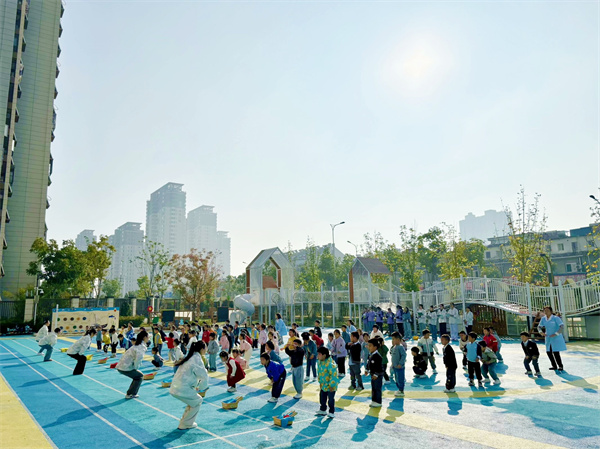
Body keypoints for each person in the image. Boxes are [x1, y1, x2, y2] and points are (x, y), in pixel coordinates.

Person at [169, 341, 209, 430]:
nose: (206, 349)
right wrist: (202, 387)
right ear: (202, 349)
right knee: (197, 401)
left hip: (176, 387)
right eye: (205, 347)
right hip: (183, 388)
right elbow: (204, 376)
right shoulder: (197, 359)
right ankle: (186, 424)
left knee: (193, 402)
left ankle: (184, 421)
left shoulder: (190, 357)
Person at [116, 330, 149, 398]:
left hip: (122, 365)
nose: (149, 338)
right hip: (125, 367)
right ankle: (131, 393)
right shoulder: (141, 347)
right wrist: (136, 368)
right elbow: (138, 359)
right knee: (139, 377)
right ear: (144, 337)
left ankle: (131, 393)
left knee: (137, 376)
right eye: (148, 337)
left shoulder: (137, 345)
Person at [538, 306, 566, 371]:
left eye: (547, 310)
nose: (546, 312)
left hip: (556, 337)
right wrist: (541, 332)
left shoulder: (556, 318)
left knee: (556, 352)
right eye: (545, 311)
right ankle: (554, 366)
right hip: (548, 337)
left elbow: (562, 326)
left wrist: (556, 333)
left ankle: (560, 366)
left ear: (551, 311)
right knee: (549, 352)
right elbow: (539, 327)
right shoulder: (543, 319)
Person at [366, 338, 383, 407]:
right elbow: (369, 363)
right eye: (368, 345)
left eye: (370, 346)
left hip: (377, 375)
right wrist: (367, 370)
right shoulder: (371, 355)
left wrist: (376, 374)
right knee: (373, 388)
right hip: (372, 375)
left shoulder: (378, 356)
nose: (368, 347)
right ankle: (374, 400)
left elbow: (380, 367)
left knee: (377, 388)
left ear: (375, 347)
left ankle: (378, 401)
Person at [390, 332, 406, 397]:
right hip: (395, 367)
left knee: (400, 378)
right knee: (397, 378)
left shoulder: (400, 347)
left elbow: (403, 356)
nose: (392, 341)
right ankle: (399, 389)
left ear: (398, 339)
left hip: (399, 367)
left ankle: (401, 390)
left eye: (393, 339)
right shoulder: (394, 347)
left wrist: (400, 364)